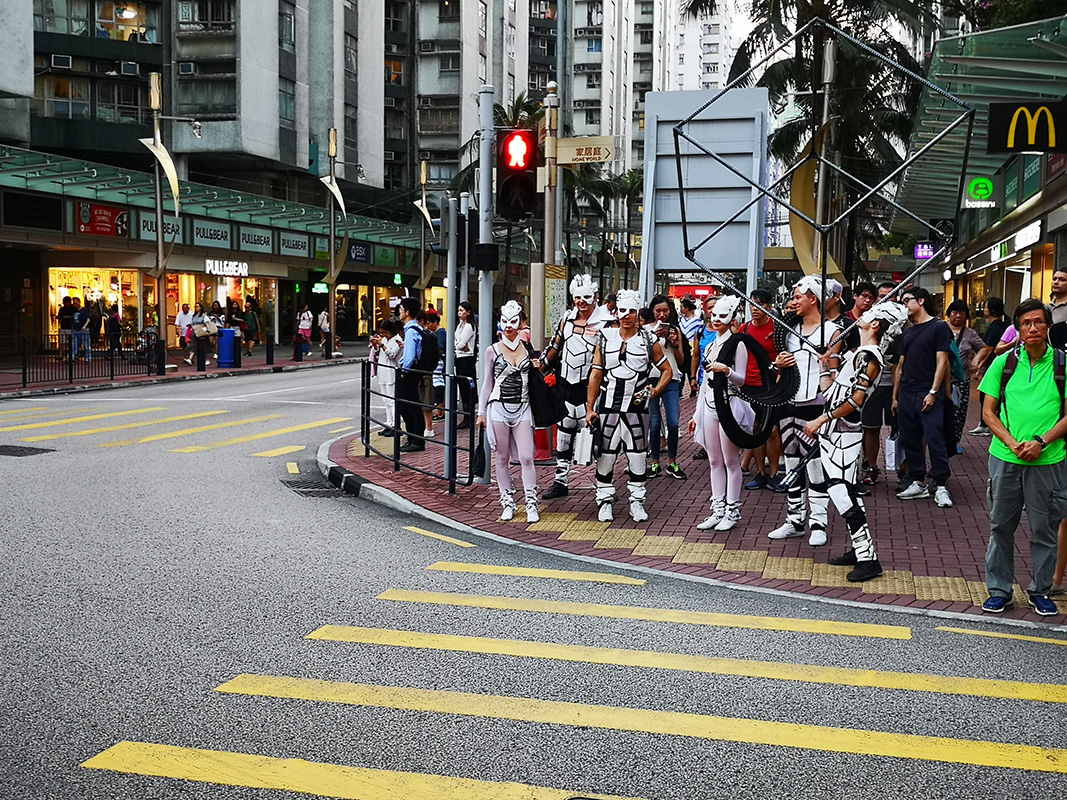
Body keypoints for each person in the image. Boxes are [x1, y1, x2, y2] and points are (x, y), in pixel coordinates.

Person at [805, 301, 909, 581]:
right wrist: (826, 366)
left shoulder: (869, 357)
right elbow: (833, 391)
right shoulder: (861, 354)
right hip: (836, 432)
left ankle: (868, 559)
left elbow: (855, 401)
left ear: (876, 324)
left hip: (843, 434)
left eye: (870, 314)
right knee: (846, 491)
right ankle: (860, 550)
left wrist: (820, 420)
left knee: (840, 493)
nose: (863, 315)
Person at [977, 298, 1067, 616]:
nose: (1032, 328)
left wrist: (1041, 442)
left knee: (1045, 529)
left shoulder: (1062, 364)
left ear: (1048, 326)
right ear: (1018, 328)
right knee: (1001, 525)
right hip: (1006, 457)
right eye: (1026, 323)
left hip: (1049, 459)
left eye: (1038, 322)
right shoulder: (1004, 363)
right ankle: (999, 589)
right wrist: (1014, 443)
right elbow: (988, 412)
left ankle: (1040, 590)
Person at [767, 276, 842, 546]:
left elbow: (834, 374)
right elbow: (778, 368)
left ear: (814, 298)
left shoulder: (833, 331)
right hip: (789, 400)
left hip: (816, 404)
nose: (794, 301)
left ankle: (818, 523)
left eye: (799, 296)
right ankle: (794, 520)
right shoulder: (788, 330)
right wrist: (778, 363)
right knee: (791, 461)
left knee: (815, 464)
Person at [586, 289, 672, 523]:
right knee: (605, 455)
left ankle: (637, 501)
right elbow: (596, 373)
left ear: (637, 313)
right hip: (609, 406)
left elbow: (667, 370)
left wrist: (654, 392)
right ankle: (604, 501)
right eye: (622, 311)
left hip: (637, 408)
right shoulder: (605, 338)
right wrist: (590, 408)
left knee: (637, 455)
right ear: (616, 312)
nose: (626, 316)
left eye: (631, 311)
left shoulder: (648, 340)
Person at [539, 275, 613, 499]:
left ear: (595, 297)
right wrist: (541, 366)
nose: (581, 301)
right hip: (565, 385)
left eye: (586, 297)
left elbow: (612, 356)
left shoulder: (606, 322)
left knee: (598, 441)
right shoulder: (567, 319)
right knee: (563, 435)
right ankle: (561, 481)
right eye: (577, 297)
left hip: (591, 389)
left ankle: (604, 484)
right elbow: (555, 346)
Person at [688, 295, 752, 531]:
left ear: (732, 318)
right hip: (709, 404)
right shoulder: (712, 343)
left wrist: (726, 370)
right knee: (714, 460)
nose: (716, 319)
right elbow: (705, 382)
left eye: (722, 316)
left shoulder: (738, 344)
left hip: (730, 405)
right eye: (713, 315)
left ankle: (732, 510)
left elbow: (742, 380)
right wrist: (696, 414)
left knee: (730, 461)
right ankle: (717, 509)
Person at [477, 301, 540, 523]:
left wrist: (538, 366)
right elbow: (487, 383)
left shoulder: (528, 348)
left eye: (513, 321)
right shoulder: (491, 350)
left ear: (521, 322)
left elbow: (536, 378)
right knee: (501, 457)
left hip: (523, 406)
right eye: (504, 321)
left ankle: (531, 502)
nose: (508, 326)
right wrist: (481, 412)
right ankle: (507, 501)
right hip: (499, 408)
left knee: (526, 456)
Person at [894, 287, 953, 507]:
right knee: (909, 438)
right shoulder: (907, 332)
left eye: (907, 300)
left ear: (920, 301)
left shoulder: (939, 327)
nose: (904, 305)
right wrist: (895, 396)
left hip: (927, 392)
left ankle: (941, 486)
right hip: (907, 392)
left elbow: (942, 362)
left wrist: (933, 392)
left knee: (934, 437)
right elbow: (900, 366)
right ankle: (918, 482)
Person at [739, 289, 781, 490]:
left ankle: (774, 474)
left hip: (772, 387)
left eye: (760, 305)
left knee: (772, 431)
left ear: (769, 307)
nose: (755, 309)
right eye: (752, 305)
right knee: (756, 431)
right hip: (749, 386)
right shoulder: (744, 329)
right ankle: (761, 474)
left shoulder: (778, 329)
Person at [860, 282, 901, 487]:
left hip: (894, 387)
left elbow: (899, 366)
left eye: (891, 296)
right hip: (871, 387)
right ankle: (871, 466)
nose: (886, 299)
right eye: (882, 296)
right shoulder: (869, 322)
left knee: (899, 429)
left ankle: (904, 470)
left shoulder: (903, 325)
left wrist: (896, 393)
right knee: (870, 428)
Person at [646, 294, 687, 480]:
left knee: (673, 422)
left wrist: (675, 343)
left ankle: (672, 462)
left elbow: (681, 360)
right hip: (651, 380)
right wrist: (654, 336)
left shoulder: (674, 330)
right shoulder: (644, 330)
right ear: (652, 311)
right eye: (658, 311)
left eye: (665, 310)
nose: (661, 314)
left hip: (671, 380)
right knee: (654, 424)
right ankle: (655, 463)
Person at [945, 300, 984, 447]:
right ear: (948, 314)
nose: (957, 316)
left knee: (959, 412)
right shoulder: (940, 328)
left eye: (961, 313)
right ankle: (942, 439)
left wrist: (976, 361)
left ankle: (955, 442)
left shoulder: (970, 333)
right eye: (954, 312)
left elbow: (984, 348)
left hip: (962, 379)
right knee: (942, 410)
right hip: (942, 378)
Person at [968, 297, 1007, 436]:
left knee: (986, 394)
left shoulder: (995, 327)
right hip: (998, 365)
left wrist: (979, 365)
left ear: (992, 310)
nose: (984, 309)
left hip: (993, 365)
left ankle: (985, 424)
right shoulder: (1002, 324)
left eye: (986, 307)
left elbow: (989, 348)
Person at [396, 297, 427, 452]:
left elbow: (409, 357)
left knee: (409, 407)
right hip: (415, 371)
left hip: (409, 373)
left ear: (407, 312)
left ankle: (416, 440)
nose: (399, 312)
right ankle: (413, 438)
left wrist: (403, 371)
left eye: (401, 309)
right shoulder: (416, 328)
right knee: (408, 406)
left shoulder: (410, 330)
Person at [370, 319, 402, 436]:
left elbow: (392, 354)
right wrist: (375, 344)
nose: (383, 335)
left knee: (392, 400)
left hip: (391, 371)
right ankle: (389, 423)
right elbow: (377, 352)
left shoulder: (397, 340)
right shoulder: (384, 339)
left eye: (385, 332)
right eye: (382, 333)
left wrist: (382, 344)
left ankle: (396, 426)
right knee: (386, 400)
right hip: (382, 371)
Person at [455, 301, 478, 428]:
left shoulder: (469, 326)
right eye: (459, 310)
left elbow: (461, 344)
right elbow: (456, 343)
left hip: (466, 359)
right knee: (462, 387)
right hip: (460, 357)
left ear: (468, 312)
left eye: (462, 310)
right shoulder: (460, 326)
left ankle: (468, 417)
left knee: (466, 387)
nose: (459, 313)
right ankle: (466, 416)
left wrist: (459, 346)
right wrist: (459, 346)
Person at [426, 310, 447, 421]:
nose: (428, 326)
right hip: (438, 362)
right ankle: (439, 411)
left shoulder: (441, 333)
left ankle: (440, 412)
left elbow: (440, 347)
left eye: (429, 323)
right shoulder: (436, 333)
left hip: (440, 363)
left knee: (438, 385)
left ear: (435, 322)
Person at [71, 297, 91, 362]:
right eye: (74, 303)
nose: (74, 305)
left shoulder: (84, 310)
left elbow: (88, 318)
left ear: (79, 302)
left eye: (76, 303)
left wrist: (84, 326)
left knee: (86, 345)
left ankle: (88, 358)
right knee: (74, 345)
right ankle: (73, 357)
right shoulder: (73, 311)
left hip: (83, 330)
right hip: (76, 329)